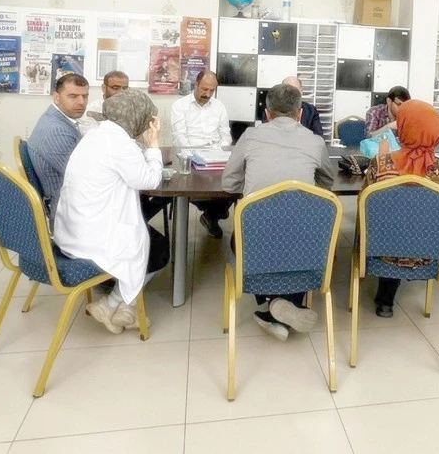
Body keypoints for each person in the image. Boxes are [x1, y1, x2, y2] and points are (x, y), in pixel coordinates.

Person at [222, 83, 335, 341]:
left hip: (255, 243)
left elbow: (228, 184)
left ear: (267, 113)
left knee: (248, 238)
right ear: (300, 114)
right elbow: (327, 182)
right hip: (306, 247)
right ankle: (284, 305)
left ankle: (273, 304)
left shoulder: (250, 136)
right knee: (300, 236)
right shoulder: (315, 141)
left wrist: (255, 189)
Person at [53, 90, 168, 334]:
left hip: (72, 229)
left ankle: (124, 307)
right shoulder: (119, 144)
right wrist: (154, 143)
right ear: (137, 117)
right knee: (158, 248)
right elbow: (149, 180)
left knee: (144, 235)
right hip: (93, 238)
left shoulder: (96, 135)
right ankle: (113, 303)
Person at [364, 100, 439, 318]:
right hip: (429, 254)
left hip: (382, 252)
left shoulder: (381, 164)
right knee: (412, 223)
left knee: (391, 224)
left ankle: (385, 301)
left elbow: (365, 204)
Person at [171, 70, 233, 238]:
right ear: (196, 85)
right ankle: (213, 213)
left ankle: (211, 214)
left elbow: (225, 135)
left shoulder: (219, 106)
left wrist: (219, 152)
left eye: (212, 90)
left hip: (215, 154)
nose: (208, 94)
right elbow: (179, 137)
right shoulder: (180, 105)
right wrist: (195, 156)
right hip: (191, 156)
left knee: (232, 182)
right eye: (204, 89)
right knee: (195, 184)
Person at [27, 74, 89, 219]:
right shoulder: (56, 131)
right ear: (57, 97)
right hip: (67, 209)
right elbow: (82, 176)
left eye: (85, 96)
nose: (81, 102)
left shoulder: (57, 118)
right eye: (73, 96)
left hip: (71, 199)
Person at [78, 70, 129, 135]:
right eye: (115, 88)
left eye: (125, 88)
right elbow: (93, 137)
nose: (121, 93)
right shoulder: (91, 111)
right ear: (104, 88)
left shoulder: (131, 111)